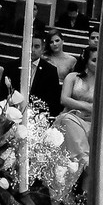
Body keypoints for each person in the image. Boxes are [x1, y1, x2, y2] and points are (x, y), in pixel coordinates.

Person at [52, 46, 97, 191]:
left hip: (92, 121)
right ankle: (86, 162)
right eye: (94, 60)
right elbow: (64, 99)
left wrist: (88, 109)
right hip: (71, 117)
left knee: (85, 132)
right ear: (86, 61)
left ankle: (83, 169)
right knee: (66, 120)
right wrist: (86, 105)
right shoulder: (73, 77)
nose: (98, 63)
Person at [25, 34, 64, 117]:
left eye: (36, 46)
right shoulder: (11, 67)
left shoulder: (50, 71)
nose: (32, 50)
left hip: (39, 116)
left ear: (42, 49)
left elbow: (54, 101)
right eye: (30, 45)